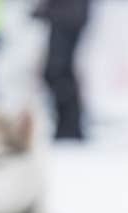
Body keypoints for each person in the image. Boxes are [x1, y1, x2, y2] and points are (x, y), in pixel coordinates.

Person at [32, 0, 91, 140]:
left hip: (67, 15)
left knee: (58, 72)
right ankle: (67, 126)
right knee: (58, 72)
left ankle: (69, 127)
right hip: (66, 14)